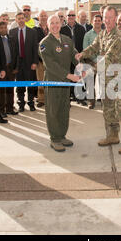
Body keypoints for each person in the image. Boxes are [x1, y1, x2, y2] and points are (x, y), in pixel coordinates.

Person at [76, 6, 121, 155]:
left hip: (119, 79)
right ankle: (112, 136)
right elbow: (94, 47)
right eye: (105, 17)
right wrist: (82, 53)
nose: (107, 21)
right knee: (108, 108)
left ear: (115, 19)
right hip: (106, 79)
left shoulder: (119, 37)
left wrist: (89, 71)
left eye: (110, 18)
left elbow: (106, 59)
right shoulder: (102, 34)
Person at [39, 15, 81, 152]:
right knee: (53, 110)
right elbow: (51, 65)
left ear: (61, 23)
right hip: (53, 82)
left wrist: (80, 65)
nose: (55, 26)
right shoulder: (44, 43)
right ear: (48, 25)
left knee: (64, 109)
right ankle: (55, 139)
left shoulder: (67, 40)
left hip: (65, 82)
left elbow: (74, 55)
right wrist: (69, 75)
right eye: (52, 23)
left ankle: (62, 135)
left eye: (57, 23)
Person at [9, 12, 39, 112]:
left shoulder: (32, 32)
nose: (21, 20)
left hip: (30, 62)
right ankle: (21, 103)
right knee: (20, 84)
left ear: (25, 19)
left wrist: (35, 62)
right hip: (17, 63)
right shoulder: (12, 32)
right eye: (19, 18)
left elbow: (35, 48)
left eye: (22, 18)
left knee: (31, 83)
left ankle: (31, 102)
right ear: (16, 20)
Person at [61, 9, 86, 105]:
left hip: (78, 57)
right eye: (69, 15)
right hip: (66, 58)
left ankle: (79, 97)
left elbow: (84, 45)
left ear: (75, 17)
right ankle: (67, 99)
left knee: (79, 77)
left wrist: (81, 57)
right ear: (66, 17)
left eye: (73, 15)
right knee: (67, 78)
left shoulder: (81, 29)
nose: (71, 17)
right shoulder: (62, 29)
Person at [0, 21, 19, 117]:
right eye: (1, 28)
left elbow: (16, 54)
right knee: (1, 90)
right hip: (1, 68)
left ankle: (10, 108)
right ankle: (2, 110)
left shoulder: (11, 39)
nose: (3, 29)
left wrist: (16, 67)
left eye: (5, 28)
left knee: (10, 89)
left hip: (11, 68)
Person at [82, 14, 103, 109]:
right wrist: (94, 61)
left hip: (103, 61)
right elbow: (85, 49)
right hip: (90, 61)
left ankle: (104, 101)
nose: (97, 22)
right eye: (95, 20)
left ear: (101, 22)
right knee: (90, 82)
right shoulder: (87, 35)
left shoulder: (105, 34)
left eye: (99, 20)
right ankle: (91, 101)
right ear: (92, 22)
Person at [33, 10, 49, 108]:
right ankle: (41, 99)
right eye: (41, 16)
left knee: (51, 80)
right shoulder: (34, 30)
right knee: (41, 80)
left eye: (45, 16)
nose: (43, 17)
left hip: (51, 61)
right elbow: (33, 46)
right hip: (40, 60)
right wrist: (35, 60)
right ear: (38, 18)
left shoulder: (51, 28)